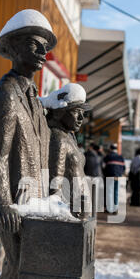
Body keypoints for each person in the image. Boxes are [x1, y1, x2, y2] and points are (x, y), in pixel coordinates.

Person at [0, 9, 57, 279]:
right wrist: (3, 205)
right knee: (17, 268)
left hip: (36, 201)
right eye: (33, 44)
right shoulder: (6, 93)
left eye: (44, 46)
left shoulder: (35, 102)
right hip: (15, 203)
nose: (42, 53)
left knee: (32, 269)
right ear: (13, 48)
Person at [40, 83, 90, 215]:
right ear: (60, 112)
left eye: (82, 112)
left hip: (78, 208)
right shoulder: (58, 138)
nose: (81, 118)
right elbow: (54, 183)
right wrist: (61, 211)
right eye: (76, 112)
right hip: (71, 210)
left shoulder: (69, 136)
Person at [103, 143, 125, 214]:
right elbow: (123, 168)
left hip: (110, 176)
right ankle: (115, 209)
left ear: (110, 149)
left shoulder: (108, 156)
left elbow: (103, 166)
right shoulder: (121, 157)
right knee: (116, 192)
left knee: (109, 192)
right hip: (118, 176)